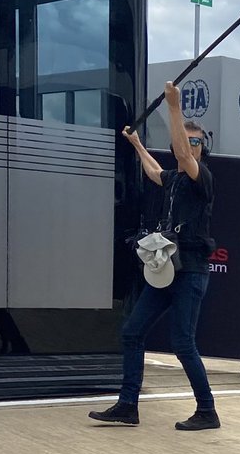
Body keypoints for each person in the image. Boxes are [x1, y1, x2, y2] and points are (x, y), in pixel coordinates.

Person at [90, 82, 219, 431]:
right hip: (167, 270)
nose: (189, 146)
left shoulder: (199, 177)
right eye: (186, 140)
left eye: (195, 142)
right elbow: (153, 171)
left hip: (190, 271)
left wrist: (174, 108)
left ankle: (207, 411)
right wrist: (136, 145)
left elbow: (181, 154)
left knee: (183, 343)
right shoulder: (176, 178)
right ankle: (127, 405)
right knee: (133, 332)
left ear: (202, 149)